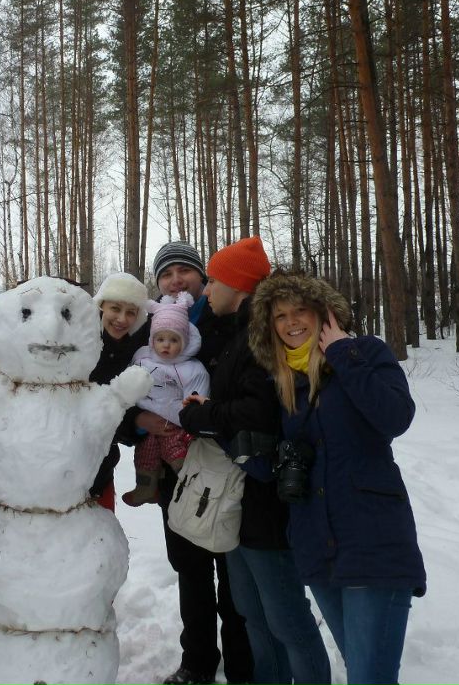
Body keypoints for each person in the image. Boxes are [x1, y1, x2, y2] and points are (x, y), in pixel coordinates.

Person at [248, 270, 426, 685]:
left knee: (369, 677)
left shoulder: (364, 352)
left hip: (372, 539)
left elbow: (395, 418)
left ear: (323, 312)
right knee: (365, 672)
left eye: (301, 311)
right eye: (280, 316)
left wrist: (343, 352)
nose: (291, 322)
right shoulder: (283, 380)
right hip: (316, 546)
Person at [181, 239, 331, 685]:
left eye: (213, 281)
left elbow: (258, 412)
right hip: (242, 497)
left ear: (237, 284)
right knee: (251, 614)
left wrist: (200, 415)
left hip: (267, 500)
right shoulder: (240, 334)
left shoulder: (260, 337)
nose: (206, 291)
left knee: (285, 617)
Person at [118, 241, 253, 685]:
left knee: (234, 575)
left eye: (186, 271)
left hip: (227, 468)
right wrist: (138, 419)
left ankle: (240, 664)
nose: (177, 280)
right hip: (175, 475)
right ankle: (196, 661)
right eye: (167, 274)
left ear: (203, 278)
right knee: (190, 569)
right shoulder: (147, 331)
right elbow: (125, 392)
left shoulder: (228, 320)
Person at [121, 292, 209, 507]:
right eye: (160, 339)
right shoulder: (141, 357)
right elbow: (126, 382)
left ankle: (190, 483)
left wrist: (183, 418)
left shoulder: (191, 368)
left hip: (175, 424)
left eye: (173, 340)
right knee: (146, 453)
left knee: (176, 452)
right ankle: (145, 488)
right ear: (152, 340)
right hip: (147, 425)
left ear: (185, 341)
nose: (166, 346)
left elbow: (197, 399)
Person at [89, 272, 151, 509]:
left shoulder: (136, 353)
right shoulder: (80, 347)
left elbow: (130, 409)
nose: (122, 319)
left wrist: (136, 422)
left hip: (102, 469)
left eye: (131, 312)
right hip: (61, 467)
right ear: (101, 306)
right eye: (115, 308)